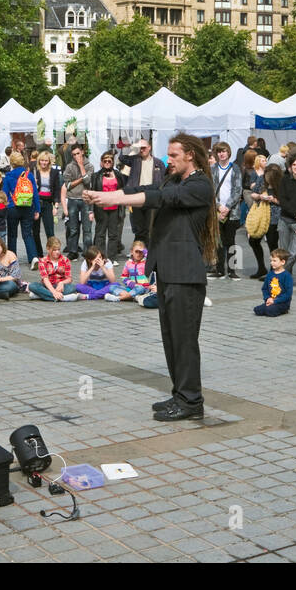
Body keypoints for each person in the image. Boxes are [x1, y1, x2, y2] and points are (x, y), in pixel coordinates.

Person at [85, 134, 216, 422]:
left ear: (191, 155)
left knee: (184, 341)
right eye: (168, 155)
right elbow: (149, 188)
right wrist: (111, 196)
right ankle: (180, 394)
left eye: (174, 155)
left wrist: (113, 198)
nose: (169, 160)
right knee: (171, 339)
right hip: (168, 272)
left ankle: (192, 401)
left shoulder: (200, 185)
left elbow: (158, 197)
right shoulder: (173, 180)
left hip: (186, 274)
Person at [119, 139, 166, 248]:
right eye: (140, 148)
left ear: (149, 147)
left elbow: (163, 180)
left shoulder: (158, 163)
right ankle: (138, 251)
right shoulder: (134, 160)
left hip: (152, 197)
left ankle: (149, 252)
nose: (142, 150)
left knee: (150, 228)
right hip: (137, 197)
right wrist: (132, 148)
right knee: (138, 228)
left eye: (144, 147)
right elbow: (122, 158)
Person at [209, 142, 243, 279]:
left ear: (228, 152)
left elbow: (237, 189)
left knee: (231, 241)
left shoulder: (235, 169)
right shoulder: (213, 169)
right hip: (217, 211)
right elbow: (210, 190)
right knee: (218, 241)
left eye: (224, 151)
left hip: (232, 211)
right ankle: (219, 269)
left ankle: (232, 270)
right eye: (219, 152)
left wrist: (227, 207)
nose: (221, 154)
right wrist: (218, 206)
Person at [1, 151, 41, 264]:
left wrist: (6, 205)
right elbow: (35, 194)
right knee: (28, 233)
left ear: (12, 163)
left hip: (13, 208)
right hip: (28, 207)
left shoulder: (8, 176)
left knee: (12, 234)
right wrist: (37, 209)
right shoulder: (29, 175)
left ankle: (13, 259)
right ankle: (33, 257)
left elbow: (4, 193)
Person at [245, 158, 281, 281]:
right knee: (253, 241)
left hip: (274, 217)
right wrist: (260, 196)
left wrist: (272, 199)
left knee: (272, 244)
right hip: (261, 215)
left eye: (269, 177)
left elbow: (285, 202)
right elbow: (253, 194)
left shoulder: (281, 184)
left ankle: (273, 271)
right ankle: (261, 268)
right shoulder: (261, 179)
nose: (267, 179)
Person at [85, 151, 124, 262]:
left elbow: (122, 190)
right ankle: (100, 257)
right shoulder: (96, 176)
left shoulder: (118, 175)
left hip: (114, 208)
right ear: (101, 162)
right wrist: (91, 211)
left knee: (113, 234)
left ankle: (111, 257)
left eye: (109, 161)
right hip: (100, 208)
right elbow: (92, 193)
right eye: (105, 161)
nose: (107, 163)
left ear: (112, 163)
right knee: (100, 233)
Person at [30, 151, 61, 258]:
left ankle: (52, 254)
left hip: (48, 203)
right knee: (35, 231)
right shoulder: (34, 171)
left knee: (50, 231)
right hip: (36, 203)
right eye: (42, 160)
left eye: (46, 160)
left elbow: (57, 190)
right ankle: (39, 254)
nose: (43, 163)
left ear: (49, 162)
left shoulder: (54, 172)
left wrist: (56, 206)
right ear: (39, 161)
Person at [29, 236, 76, 302]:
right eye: (54, 250)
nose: (57, 252)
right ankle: (63, 298)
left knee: (73, 288)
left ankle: (41, 295)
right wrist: (54, 292)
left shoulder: (65, 260)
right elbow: (45, 279)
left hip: (60, 287)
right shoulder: (43, 261)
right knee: (32, 286)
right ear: (48, 249)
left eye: (59, 249)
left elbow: (69, 279)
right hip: (47, 286)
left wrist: (62, 283)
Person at [254, 249, 293, 317]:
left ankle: (283, 310)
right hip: (271, 300)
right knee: (257, 310)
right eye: (271, 260)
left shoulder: (287, 276)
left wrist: (275, 301)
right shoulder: (270, 274)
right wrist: (268, 298)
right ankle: (270, 308)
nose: (271, 263)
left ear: (282, 262)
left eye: (274, 261)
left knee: (270, 311)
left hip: (282, 302)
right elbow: (264, 289)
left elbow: (288, 294)